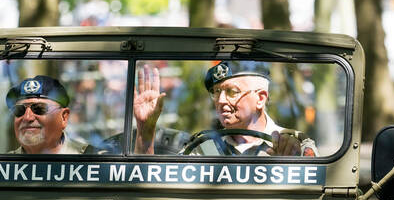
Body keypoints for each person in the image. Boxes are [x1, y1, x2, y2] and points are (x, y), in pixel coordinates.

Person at [133, 61, 316, 156]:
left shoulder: (291, 145)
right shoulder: (204, 148)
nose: (220, 100)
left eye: (231, 91)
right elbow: (153, 185)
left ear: (260, 99)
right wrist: (145, 129)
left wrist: (289, 165)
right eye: (216, 92)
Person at [5, 75, 90, 155]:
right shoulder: (2, 167)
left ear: (64, 117)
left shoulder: (92, 162)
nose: (27, 117)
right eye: (19, 110)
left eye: (39, 108)